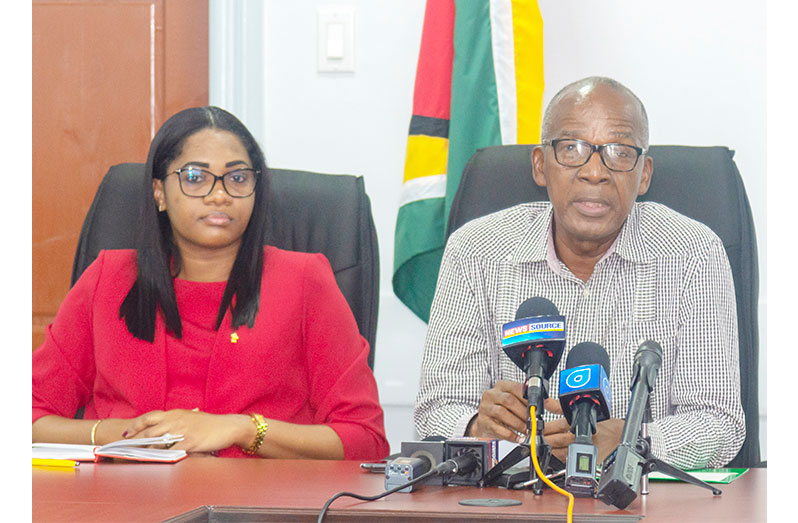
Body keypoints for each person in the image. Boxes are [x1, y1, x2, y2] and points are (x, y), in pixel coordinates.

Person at [414, 77, 745, 470]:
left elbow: (719, 426)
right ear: (540, 165)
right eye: (572, 148)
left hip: (636, 505)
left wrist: (630, 441)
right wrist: (473, 425)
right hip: (514, 504)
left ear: (643, 175)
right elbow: (434, 411)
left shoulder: (692, 254)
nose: (594, 172)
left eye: (619, 152)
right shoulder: (477, 250)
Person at [32, 106, 390, 461]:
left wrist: (243, 429)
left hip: (255, 508)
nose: (219, 195)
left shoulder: (304, 282)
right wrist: (112, 434)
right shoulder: (108, 280)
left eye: (237, 178)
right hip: (122, 501)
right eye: (195, 177)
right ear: (159, 191)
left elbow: (364, 438)